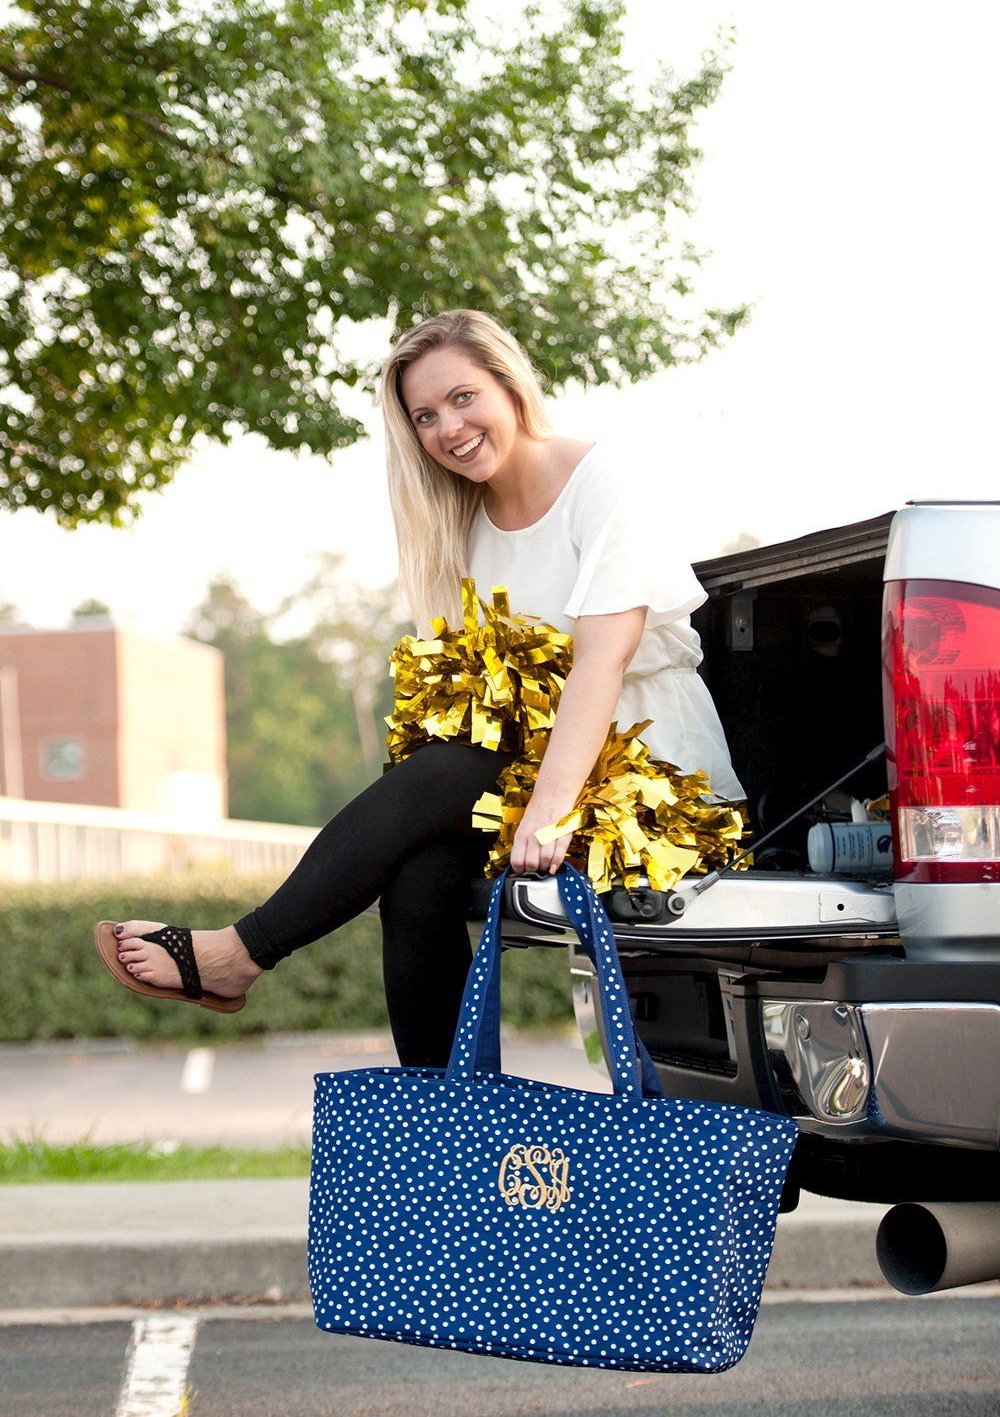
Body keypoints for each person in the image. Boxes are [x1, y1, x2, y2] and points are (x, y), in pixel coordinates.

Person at [96, 309, 743, 1068]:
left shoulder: (602, 484)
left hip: (647, 775)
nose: (448, 428)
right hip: (529, 772)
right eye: (425, 416)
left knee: (443, 773)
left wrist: (549, 809)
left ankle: (242, 952)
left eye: (463, 397)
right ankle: (451, 1125)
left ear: (509, 384)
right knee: (416, 874)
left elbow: (601, 662)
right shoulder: (456, 518)